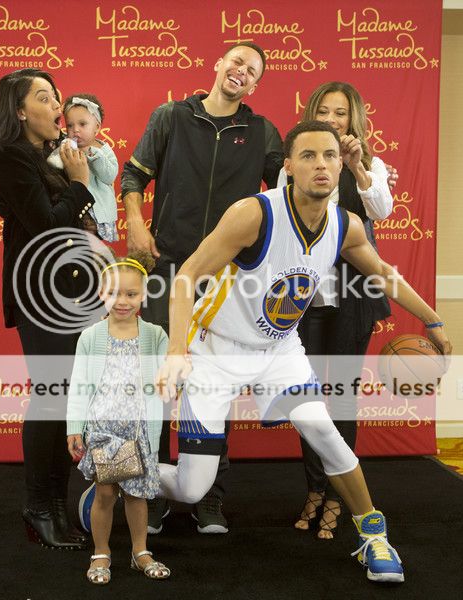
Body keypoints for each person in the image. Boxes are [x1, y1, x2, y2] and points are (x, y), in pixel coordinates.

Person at [156, 120, 451, 583]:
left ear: (341, 165)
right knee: (192, 488)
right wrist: (177, 350)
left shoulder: (345, 225)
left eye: (330, 155)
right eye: (309, 156)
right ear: (289, 166)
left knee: (323, 430)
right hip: (217, 349)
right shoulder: (253, 214)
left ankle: (373, 535)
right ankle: (124, 472)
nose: (321, 164)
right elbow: (186, 277)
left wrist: (432, 319)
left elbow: (383, 274)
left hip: (279, 350)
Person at [113, 41, 284, 534]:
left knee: (214, 388)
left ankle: (209, 495)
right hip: (167, 269)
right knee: (157, 386)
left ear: (255, 85)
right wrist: (135, 221)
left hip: (227, 279)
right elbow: (133, 175)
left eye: (252, 70)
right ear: (218, 64)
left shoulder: (263, 133)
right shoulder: (171, 116)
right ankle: (151, 493)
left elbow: (286, 194)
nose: (241, 71)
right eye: (236, 61)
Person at [0, 68, 97, 550]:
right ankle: (39, 506)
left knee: (70, 402)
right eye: (45, 98)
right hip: (41, 296)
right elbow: (48, 224)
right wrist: (79, 183)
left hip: (74, 294)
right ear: (20, 111)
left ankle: (56, 506)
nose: (58, 107)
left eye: (57, 98)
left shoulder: (51, 156)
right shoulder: (10, 156)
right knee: (52, 398)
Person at [277, 81, 394, 538]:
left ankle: (337, 498)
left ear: (353, 119)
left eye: (340, 113)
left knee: (342, 399)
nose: (331, 119)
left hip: (354, 296)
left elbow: (381, 210)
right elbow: (284, 218)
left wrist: (358, 166)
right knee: (306, 401)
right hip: (304, 296)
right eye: (323, 111)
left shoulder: (371, 164)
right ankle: (314, 488)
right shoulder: (299, 163)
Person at [67, 251, 170, 584]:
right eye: (113, 293)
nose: (122, 301)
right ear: (101, 293)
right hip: (103, 430)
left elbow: (169, 379)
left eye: (131, 293)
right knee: (106, 494)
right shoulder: (91, 337)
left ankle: (140, 551)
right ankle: (101, 552)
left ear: (144, 294)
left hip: (139, 431)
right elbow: (79, 386)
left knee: (137, 496)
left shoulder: (155, 335)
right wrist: (74, 427)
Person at [62, 94, 120, 242]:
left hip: (98, 212)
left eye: (82, 124)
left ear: (97, 127)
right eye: (70, 125)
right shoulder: (67, 146)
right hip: (75, 208)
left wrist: (94, 155)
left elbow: (109, 176)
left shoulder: (102, 149)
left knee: (93, 247)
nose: (75, 130)